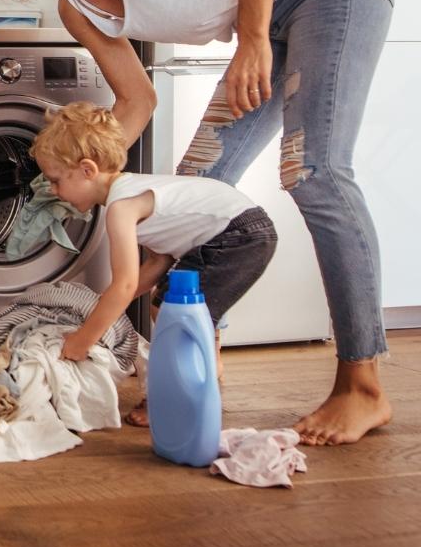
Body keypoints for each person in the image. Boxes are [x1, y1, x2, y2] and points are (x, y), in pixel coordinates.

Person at [0, 0, 395, 446]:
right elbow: (137, 102)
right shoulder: (76, 7)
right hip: (271, 21)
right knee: (190, 194)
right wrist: (74, 173)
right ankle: (195, 371)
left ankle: (363, 383)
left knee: (314, 172)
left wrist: (253, 40)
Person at [31, 101, 277, 425]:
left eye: (55, 180)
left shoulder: (121, 207)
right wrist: (102, 307)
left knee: (172, 310)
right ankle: (200, 373)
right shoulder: (130, 191)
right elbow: (158, 263)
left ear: (87, 170)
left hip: (236, 234)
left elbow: (125, 284)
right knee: (169, 304)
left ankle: (174, 397)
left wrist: (83, 339)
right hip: (241, 230)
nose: (52, 190)